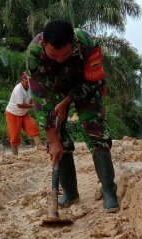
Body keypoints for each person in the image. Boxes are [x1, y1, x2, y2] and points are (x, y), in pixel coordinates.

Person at [26, 19, 119, 213]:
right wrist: (52, 139)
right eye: (54, 55)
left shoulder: (88, 43)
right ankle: (70, 192)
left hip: (86, 88)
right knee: (58, 139)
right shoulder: (34, 53)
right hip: (53, 91)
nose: (60, 59)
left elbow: (95, 79)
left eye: (66, 54)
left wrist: (68, 101)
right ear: (44, 44)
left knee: (95, 132)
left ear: (74, 42)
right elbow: (40, 97)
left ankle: (109, 190)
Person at [5, 72, 45, 155]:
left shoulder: (30, 87)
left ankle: (39, 146)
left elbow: (30, 99)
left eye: (29, 82)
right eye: (26, 82)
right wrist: (34, 105)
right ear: (22, 81)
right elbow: (20, 104)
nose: (28, 84)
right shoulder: (18, 89)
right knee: (14, 135)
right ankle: (15, 154)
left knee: (33, 127)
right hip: (13, 113)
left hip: (24, 114)